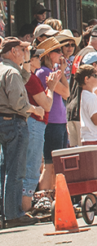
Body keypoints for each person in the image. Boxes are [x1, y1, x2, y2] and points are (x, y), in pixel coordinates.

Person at [0, 37, 43, 226]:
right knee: (16, 170)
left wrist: (25, 62)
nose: (24, 52)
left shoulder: (7, 70)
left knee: (3, 170)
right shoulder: (10, 72)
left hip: (3, 121)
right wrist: (34, 109)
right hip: (13, 122)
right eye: (21, 49)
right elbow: (18, 103)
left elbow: (23, 78)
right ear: (12, 51)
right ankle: (13, 214)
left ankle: (4, 214)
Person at [22, 41, 56, 215]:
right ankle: (25, 208)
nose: (40, 58)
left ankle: (23, 207)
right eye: (36, 56)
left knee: (31, 165)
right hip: (34, 123)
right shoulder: (31, 78)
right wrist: (51, 87)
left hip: (34, 123)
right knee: (32, 166)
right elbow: (47, 105)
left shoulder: (29, 76)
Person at [36, 36, 70, 192]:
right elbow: (64, 91)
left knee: (57, 164)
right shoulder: (44, 72)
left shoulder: (52, 71)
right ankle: (44, 195)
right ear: (49, 54)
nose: (61, 53)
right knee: (50, 164)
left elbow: (66, 93)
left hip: (60, 122)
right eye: (57, 51)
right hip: (52, 123)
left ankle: (53, 196)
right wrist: (60, 73)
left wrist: (61, 72)